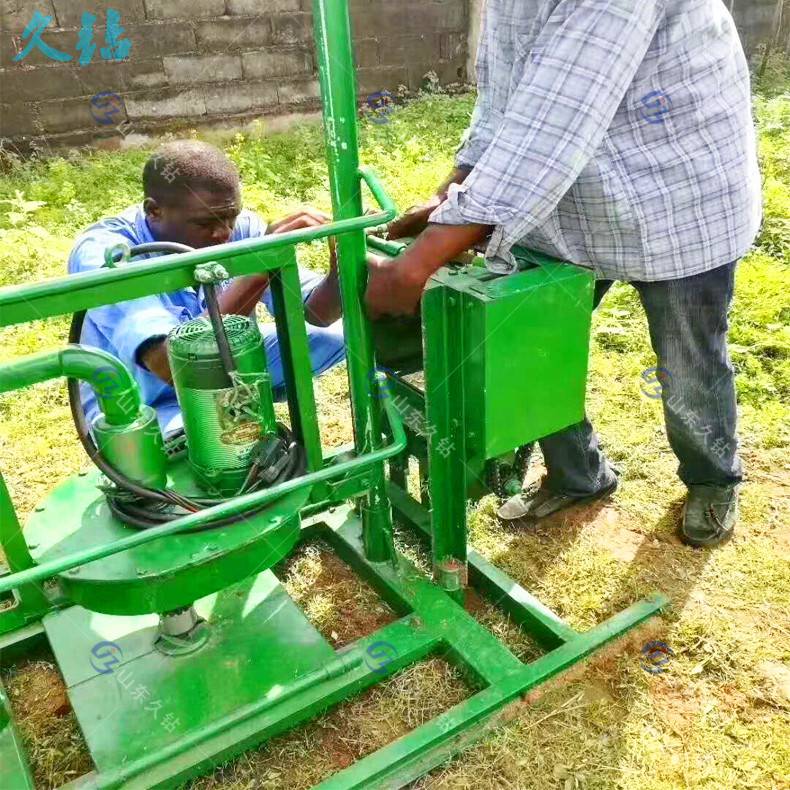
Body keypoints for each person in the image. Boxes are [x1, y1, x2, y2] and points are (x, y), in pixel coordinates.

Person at [365, 0, 762, 548]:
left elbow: (554, 123)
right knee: (532, 346)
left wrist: (415, 266)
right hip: (570, 207)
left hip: (676, 200)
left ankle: (713, 479)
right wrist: (450, 196)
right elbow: (509, 105)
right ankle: (580, 476)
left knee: (687, 360)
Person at [68, 140, 345, 435]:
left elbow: (314, 312)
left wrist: (341, 264)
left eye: (231, 216)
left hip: (222, 366)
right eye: (205, 223)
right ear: (154, 211)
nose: (224, 233)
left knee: (342, 334)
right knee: (222, 454)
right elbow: (171, 365)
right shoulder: (106, 252)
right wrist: (260, 266)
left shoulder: (237, 226)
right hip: (148, 404)